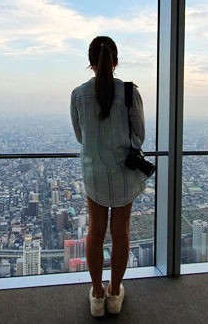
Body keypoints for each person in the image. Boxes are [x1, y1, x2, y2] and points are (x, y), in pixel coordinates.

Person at [70, 35, 148, 317]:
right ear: (116, 61)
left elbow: (82, 137)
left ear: (90, 63)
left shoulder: (78, 95)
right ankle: (115, 293)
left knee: (95, 231)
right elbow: (139, 135)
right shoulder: (129, 92)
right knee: (121, 233)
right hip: (124, 175)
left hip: (94, 175)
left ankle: (98, 295)